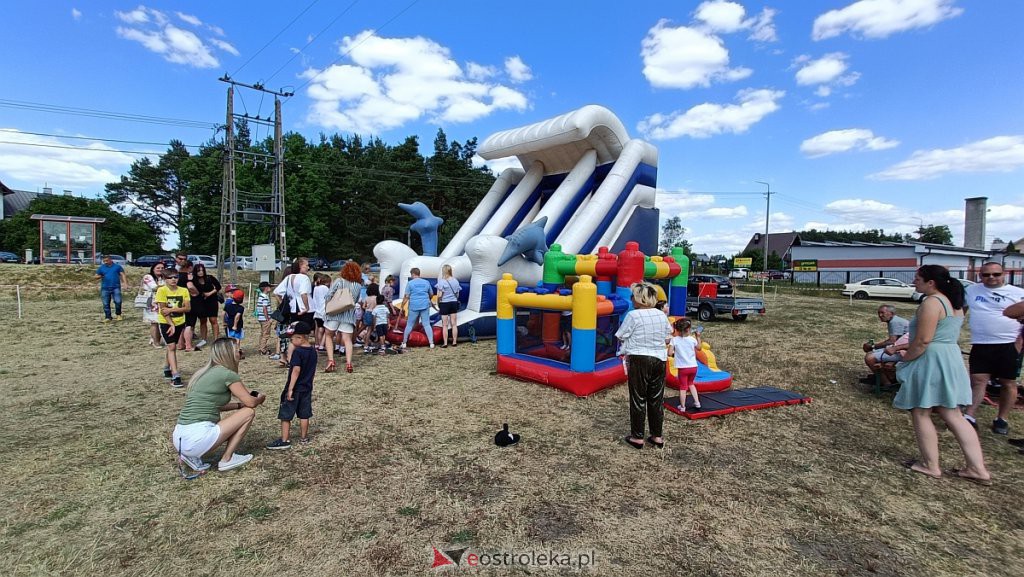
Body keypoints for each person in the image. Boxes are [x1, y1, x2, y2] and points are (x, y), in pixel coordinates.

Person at [894, 265, 991, 485]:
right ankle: (977, 469)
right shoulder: (953, 303)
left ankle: (930, 465)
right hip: (950, 357)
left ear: (931, 282)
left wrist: (907, 358)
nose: (914, 282)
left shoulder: (932, 302)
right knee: (953, 414)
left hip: (932, 359)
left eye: (918, 279)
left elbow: (923, 340)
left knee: (921, 411)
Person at [172, 338, 267, 473]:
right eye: (237, 350)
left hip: (180, 437)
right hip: (197, 438)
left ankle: (191, 456)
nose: (240, 353)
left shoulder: (204, 373)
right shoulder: (227, 374)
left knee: (244, 410)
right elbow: (251, 402)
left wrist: (238, 405)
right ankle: (227, 459)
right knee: (249, 412)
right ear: (228, 353)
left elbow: (215, 405)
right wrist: (260, 398)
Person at [963, 262, 1024, 435]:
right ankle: (970, 415)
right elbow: (961, 311)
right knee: (978, 380)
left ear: (1003, 274)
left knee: (1008, 383)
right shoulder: (972, 291)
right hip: (981, 344)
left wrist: (1019, 343)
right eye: (986, 274)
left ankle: (1002, 419)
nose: (991, 278)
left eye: (996, 274)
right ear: (979, 275)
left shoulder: (1018, 293)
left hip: (1008, 345)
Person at [615, 282, 673, 449]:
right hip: (659, 359)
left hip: (640, 358)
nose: (631, 299)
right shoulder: (660, 315)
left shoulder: (633, 315)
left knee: (638, 397)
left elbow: (620, 335)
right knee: (656, 398)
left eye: (633, 296)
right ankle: (657, 436)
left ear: (639, 298)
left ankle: (637, 437)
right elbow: (667, 336)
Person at [266, 321, 318, 449]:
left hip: (295, 388)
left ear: (300, 338)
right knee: (304, 414)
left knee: (286, 414)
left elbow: (296, 370)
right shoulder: (313, 351)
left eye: (292, 338)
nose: (291, 341)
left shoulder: (298, 352)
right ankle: (304, 437)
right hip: (307, 388)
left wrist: (290, 389)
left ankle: (285, 440)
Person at [154, 269, 191, 388]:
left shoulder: (184, 290)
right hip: (166, 322)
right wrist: (171, 324)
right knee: (172, 346)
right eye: (170, 277)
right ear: (165, 279)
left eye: (175, 277)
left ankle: (166, 367)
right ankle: (176, 375)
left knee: (172, 345)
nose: (173, 279)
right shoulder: (161, 290)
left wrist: (172, 310)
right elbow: (163, 310)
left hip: (180, 321)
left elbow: (187, 308)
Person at [324, 261, 362, 373]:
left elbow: (328, 296)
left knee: (329, 336)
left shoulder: (339, 281)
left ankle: (331, 360)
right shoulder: (358, 286)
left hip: (334, 313)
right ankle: (349, 363)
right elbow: (355, 301)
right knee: (347, 340)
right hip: (349, 315)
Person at [861, 305, 910, 383]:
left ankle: (886, 383)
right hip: (899, 348)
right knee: (872, 353)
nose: (880, 315)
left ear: (891, 313)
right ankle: (882, 377)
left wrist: (873, 346)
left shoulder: (895, 322)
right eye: (879, 313)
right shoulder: (894, 320)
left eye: (882, 313)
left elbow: (892, 341)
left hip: (904, 351)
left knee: (869, 358)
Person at [670, 317, 701, 411]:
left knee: (683, 387)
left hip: (683, 368)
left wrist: (674, 354)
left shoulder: (674, 340)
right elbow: (699, 348)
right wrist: (698, 337)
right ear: (688, 329)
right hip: (693, 367)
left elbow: (669, 353)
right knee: (691, 383)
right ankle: (697, 403)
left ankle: (682, 407)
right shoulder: (692, 339)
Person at [401, 267, 436, 349]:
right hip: (424, 305)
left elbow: (406, 296)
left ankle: (404, 342)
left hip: (414, 306)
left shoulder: (410, 283)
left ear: (413, 274)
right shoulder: (426, 282)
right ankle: (431, 343)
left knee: (409, 324)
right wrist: (428, 299)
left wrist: (402, 305)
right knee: (426, 324)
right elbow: (431, 294)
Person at [192, 263, 222, 348]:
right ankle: (203, 339)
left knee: (213, 320)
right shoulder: (194, 280)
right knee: (203, 320)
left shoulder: (210, 277)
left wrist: (210, 293)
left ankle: (216, 339)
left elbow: (218, 286)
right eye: (198, 271)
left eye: (202, 270)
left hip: (212, 301)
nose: (201, 272)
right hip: (200, 302)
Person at [94, 254, 127, 322]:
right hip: (105, 288)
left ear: (110, 260)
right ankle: (108, 317)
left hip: (116, 287)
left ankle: (118, 314)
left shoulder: (117, 267)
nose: (105, 262)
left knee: (118, 301)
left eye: (106, 260)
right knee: (106, 303)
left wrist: (125, 283)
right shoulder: (101, 267)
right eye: (104, 261)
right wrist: (99, 276)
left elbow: (122, 274)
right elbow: (95, 276)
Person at [436, 264, 461, 347]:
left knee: (445, 325)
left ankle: (445, 343)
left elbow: (439, 295)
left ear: (443, 271)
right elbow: (457, 295)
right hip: (453, 303)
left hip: (444, 304)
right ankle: (454, 342)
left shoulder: (442, 282)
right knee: (454, 324)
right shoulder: (455, 281)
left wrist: (438, 302)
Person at [140, 261, 165, 347]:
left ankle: (155, 338)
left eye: (162, 268)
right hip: (152, 303)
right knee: (154, 322)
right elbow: (154, 288)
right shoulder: (148, 277)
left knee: (161, 322)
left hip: (162, 302)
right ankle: (156, 342)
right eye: (158, 268)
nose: (160, 270)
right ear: (153, 269)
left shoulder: (163, 278)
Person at [177, 260, 199, 352]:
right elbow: (190, 286)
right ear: (190, 267)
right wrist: (197, 292)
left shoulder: (176, 276)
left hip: (177, 301)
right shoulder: (188, 277)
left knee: (180, 324)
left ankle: (180, 344)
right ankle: (188, 345)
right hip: (188, 301)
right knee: (189, 324)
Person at [310, 272, 330, 352]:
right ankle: (322, 345)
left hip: (317, 311)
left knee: (319, 329)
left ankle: (317, 344)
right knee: (327, 329)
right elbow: (328, 298)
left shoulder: (316, 288)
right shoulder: (325, 288)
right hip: (324, 311)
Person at [255, 281, 275, 355]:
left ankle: (261, 347)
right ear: (266, 288)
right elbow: (264, 308)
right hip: (265, 318)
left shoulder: (260, 296)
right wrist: (268, 319)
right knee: (266, 334)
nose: (271, 288)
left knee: (262, 333)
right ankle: (263, 350)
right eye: (269, 287)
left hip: (261, 318)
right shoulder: (265, 297)